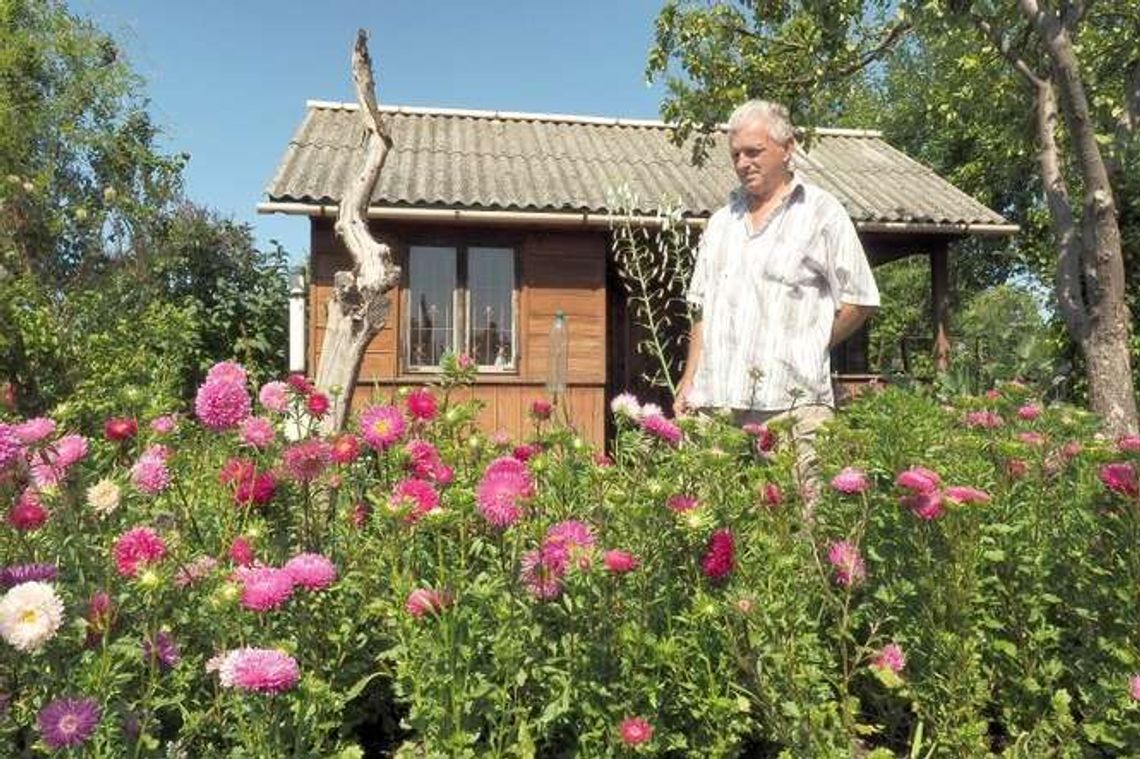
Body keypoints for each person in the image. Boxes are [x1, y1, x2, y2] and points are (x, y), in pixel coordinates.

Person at [674, 99, 880, 505]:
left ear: (787, 148)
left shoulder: (821, 212)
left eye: (754, 151)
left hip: (794, 406)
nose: (743, 162)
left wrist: (810, 344)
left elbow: (860, 298)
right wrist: (689, 377)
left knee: (804, 529)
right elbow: (701, 307)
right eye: (736, 154)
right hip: (717, 405)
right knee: (712, 525)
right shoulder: (720, 223)